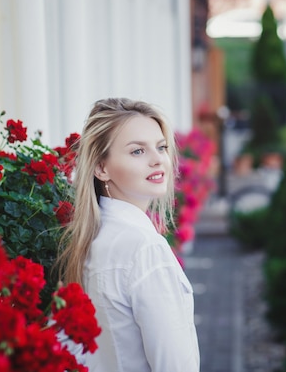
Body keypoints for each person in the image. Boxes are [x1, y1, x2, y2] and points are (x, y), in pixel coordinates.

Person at [57, 98, 200, 372]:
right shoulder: (144, 249)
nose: (158, 159)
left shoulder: (94, 240)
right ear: (102, 168)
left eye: (161, 147)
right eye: (137, 151)